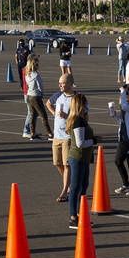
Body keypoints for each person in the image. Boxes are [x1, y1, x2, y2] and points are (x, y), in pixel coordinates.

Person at [65, 94, 95, 228]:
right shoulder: (78, 121)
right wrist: (94, 140)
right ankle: (73, 217)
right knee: (76, 188)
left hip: (84, 158)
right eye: (86, 103)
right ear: (80, 105)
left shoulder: (82, 120)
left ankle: (81, 214)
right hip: (78, 157)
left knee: (83, 187)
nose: (87, 106)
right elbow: (80, 143)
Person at [46, 74, 76, 203]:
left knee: (66, 164)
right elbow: (48, 103)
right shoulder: (58, 95)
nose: (60, 85)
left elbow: (82, 116)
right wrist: (54, 114)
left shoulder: (76, 98)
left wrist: (67, 116)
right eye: (59, 83)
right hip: (57, 135)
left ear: (70, 83)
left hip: (68, 136)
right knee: (58, 163)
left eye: (62, 83)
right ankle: (70, 184)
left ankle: (65, 191)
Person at [21, 55, 47, 139]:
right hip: (29, 93)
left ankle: (33, 131)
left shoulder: (28, 70)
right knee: (31, 113)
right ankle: (26, 130)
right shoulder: (28, 70)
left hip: (29, 93)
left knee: (34, 114)